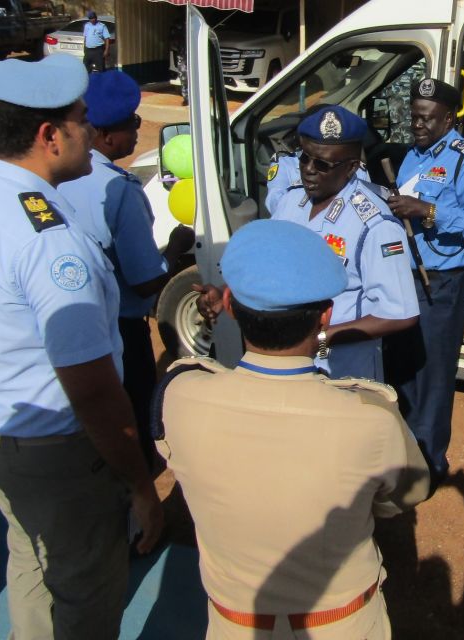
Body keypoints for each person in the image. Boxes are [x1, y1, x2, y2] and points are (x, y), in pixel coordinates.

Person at [155, 218, 430, 639]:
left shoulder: (178, 395)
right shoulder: (372, 417)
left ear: (229, 304)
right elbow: (405, 495)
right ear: (326, 315)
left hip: (234, 625)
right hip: (341, 625)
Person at [0, 55, 162, 639]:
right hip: (57, 448)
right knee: (87, 587)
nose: (91, 129)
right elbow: (94, 390)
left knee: (31, 556)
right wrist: (141, 485)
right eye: (81, 119)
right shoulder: (50, 244)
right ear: (51, 136)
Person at [200, 105, 419, 381]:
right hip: (284, 364)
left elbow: (400, 313)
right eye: (304, 158)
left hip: (342, 373)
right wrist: (225, 293)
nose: (309, 170)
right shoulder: (292, 201)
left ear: (351, 167)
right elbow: (273, 266)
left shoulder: (375, 225)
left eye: (323, 164)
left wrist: (322, 339)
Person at [59, 70, 195, 468]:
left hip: (69, 324)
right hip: (118, 330)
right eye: (132, 123)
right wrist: (176, 248)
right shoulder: (119, 188)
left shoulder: (57, 177)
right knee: (132, 429)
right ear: (104, 135)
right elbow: (146, 280)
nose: (138, 131)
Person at [384, 78, 464, 483]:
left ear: (448, 119)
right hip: (404, 275)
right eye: (414, 117)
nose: (418, 125)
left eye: (427, 118)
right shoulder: (412, 155)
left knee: (432, 375)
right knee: (403, 366)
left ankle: (429, 466)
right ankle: (403, 454)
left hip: (442, 282)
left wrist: (427, 210)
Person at [169, 16, 188, 106]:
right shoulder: (178, 24)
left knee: (185, 75)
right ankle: (187, 97)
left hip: (188, 54)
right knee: (183, 75)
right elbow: (173, 42)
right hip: (183, 54)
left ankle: (188, 97)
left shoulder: (193, 23)